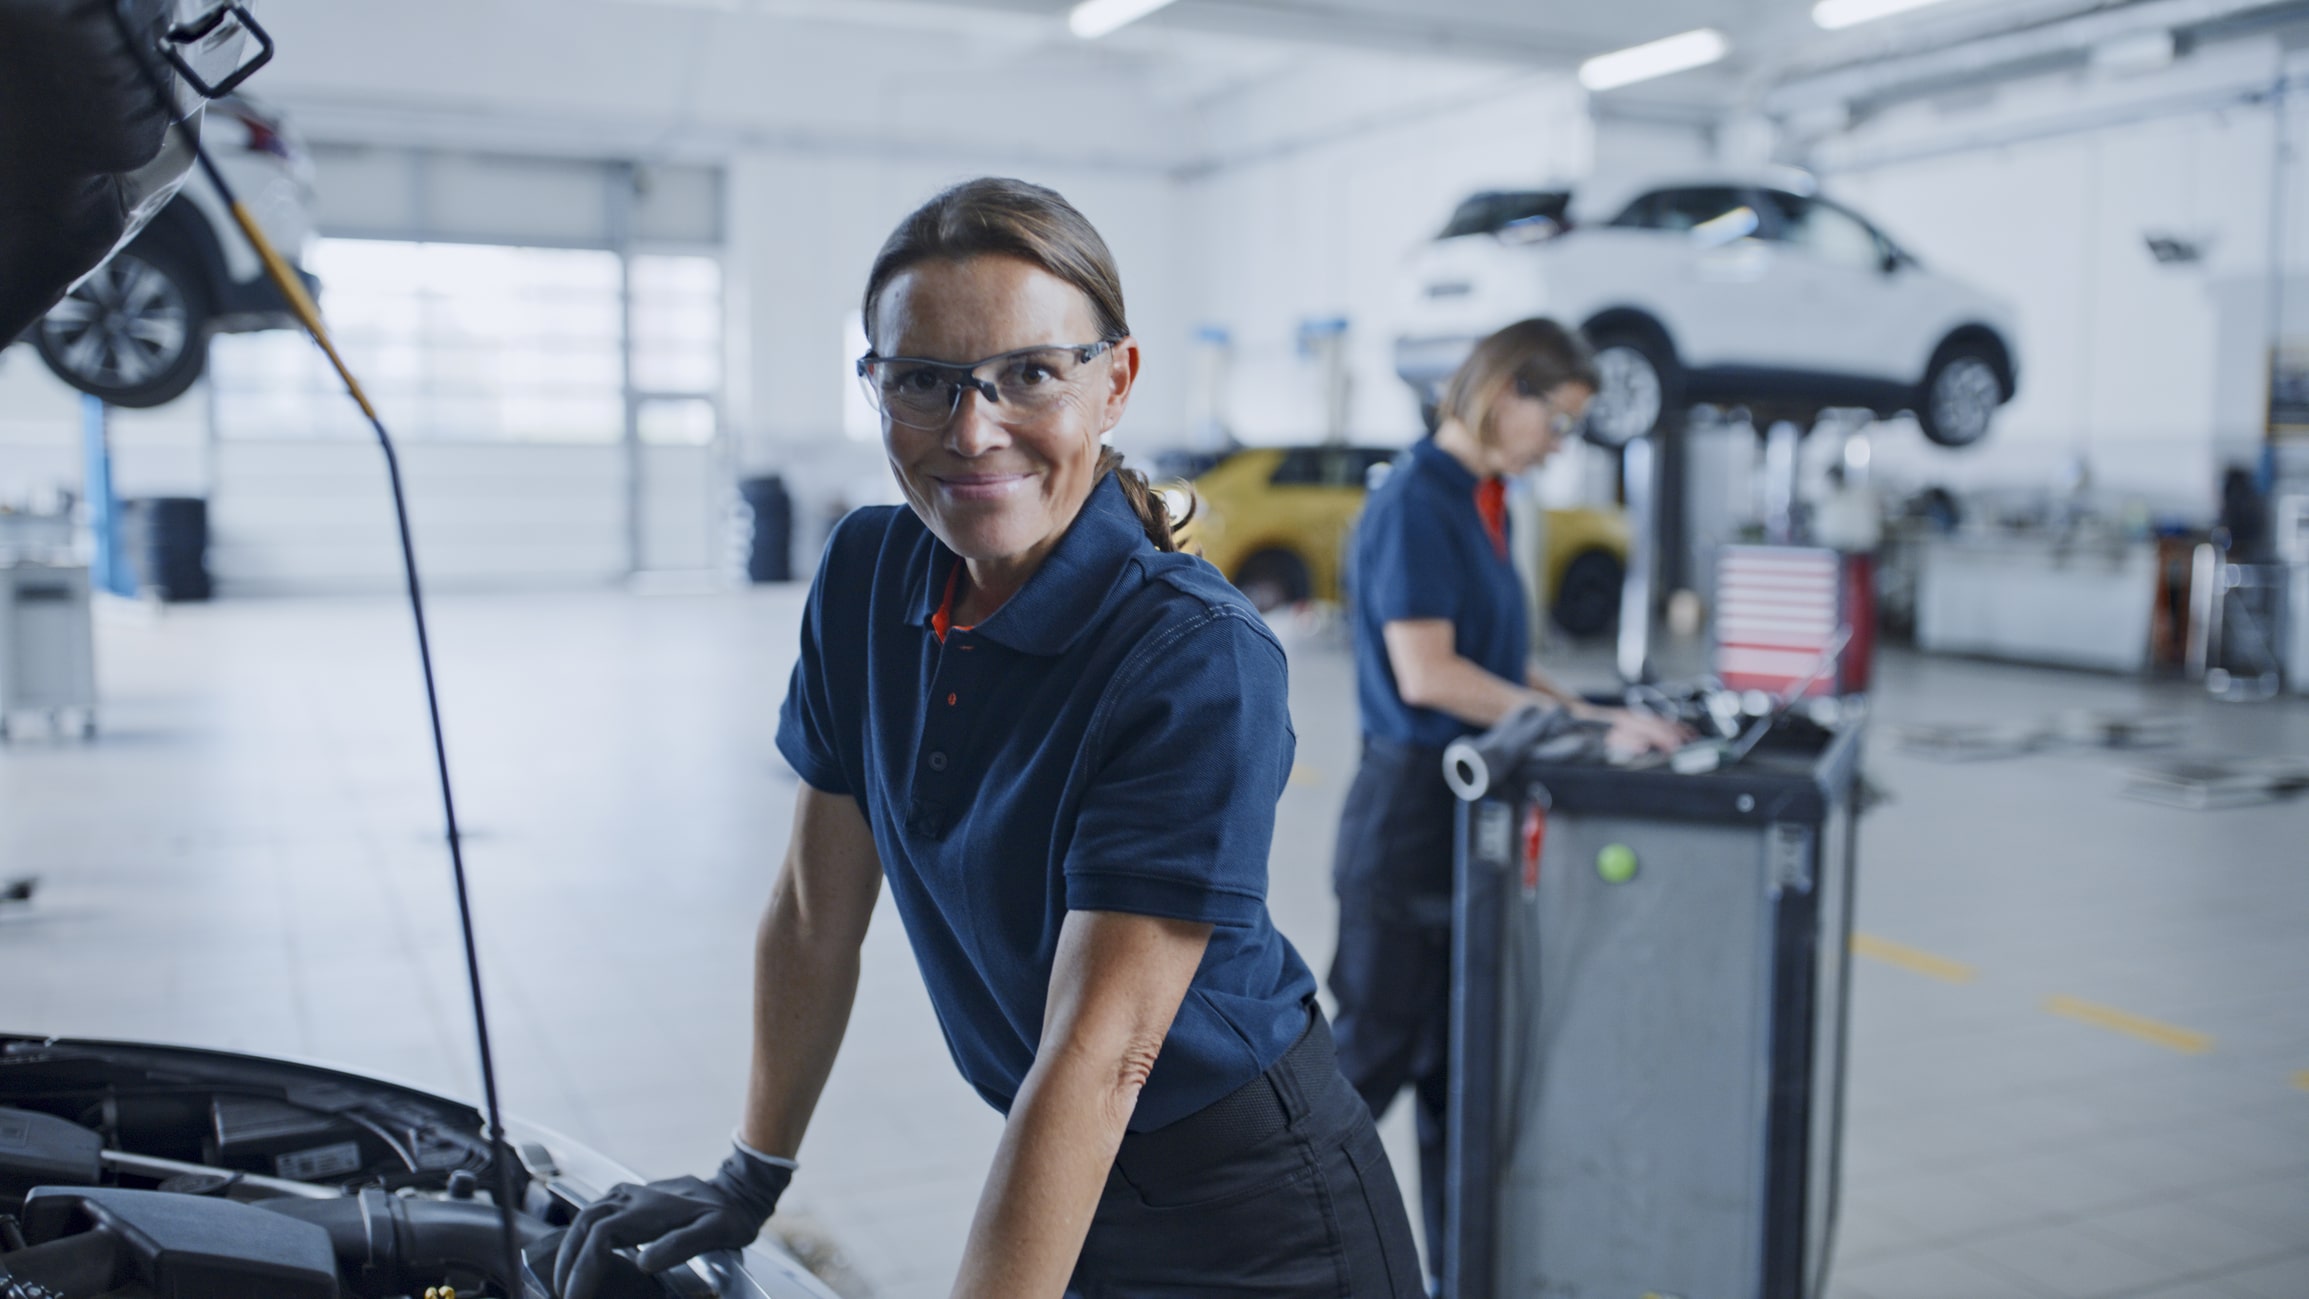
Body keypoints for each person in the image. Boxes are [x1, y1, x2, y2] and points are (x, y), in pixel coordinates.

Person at [554, 177, 1423, 1299]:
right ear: (875, 389)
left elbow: (1101, 1055)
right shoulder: (866, 577)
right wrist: (749, 1174)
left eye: (1029, 374)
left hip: (1261, 1219)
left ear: (1114, 382)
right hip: (1067, 1171)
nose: (972, 431)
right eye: (924, 381)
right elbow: (817, 912)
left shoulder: (1192, 656)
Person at [1330, 319, 1684, 1274]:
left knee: (1460, 1074)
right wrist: (1579, 728)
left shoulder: (1486, 500)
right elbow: (1431, 673)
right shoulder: (1417, 499)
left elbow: (1500, 663)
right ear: (1504, 394)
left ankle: (1459, 1272)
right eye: (1558, 421)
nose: (1558, 445)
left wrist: (1603, 714)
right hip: (1407, 821)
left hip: (1464, 821)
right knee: (1361, 1075)